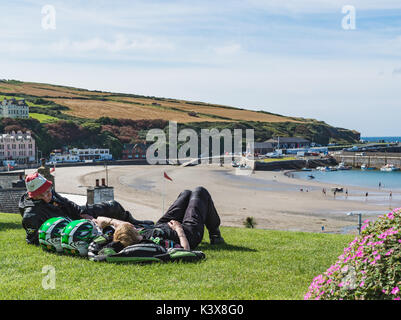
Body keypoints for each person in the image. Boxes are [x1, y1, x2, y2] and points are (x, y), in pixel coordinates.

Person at [19, 172, 152, 245]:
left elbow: (68, 203)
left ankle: (134, 224)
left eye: (49, 190)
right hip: (68, 226)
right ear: (35, 195)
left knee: (113, 205)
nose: (49, 195)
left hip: (75, 214)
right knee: (104, 229)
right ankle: (131, 233)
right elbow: (34, 240)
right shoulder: (31, 216)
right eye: (45, 193)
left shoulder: (50, 193)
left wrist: (83, 213)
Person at [93, 186, 224, 252]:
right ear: (135, 234)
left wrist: (107, 221)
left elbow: (123, 226)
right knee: (200, 192)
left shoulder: (129, 236)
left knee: (186, 193)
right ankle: (214, 233)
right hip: (187, 233)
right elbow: (185, 250)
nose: (132, 225)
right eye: (132, 228)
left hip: (161, 226)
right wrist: (179, 230)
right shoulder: (155, 244)